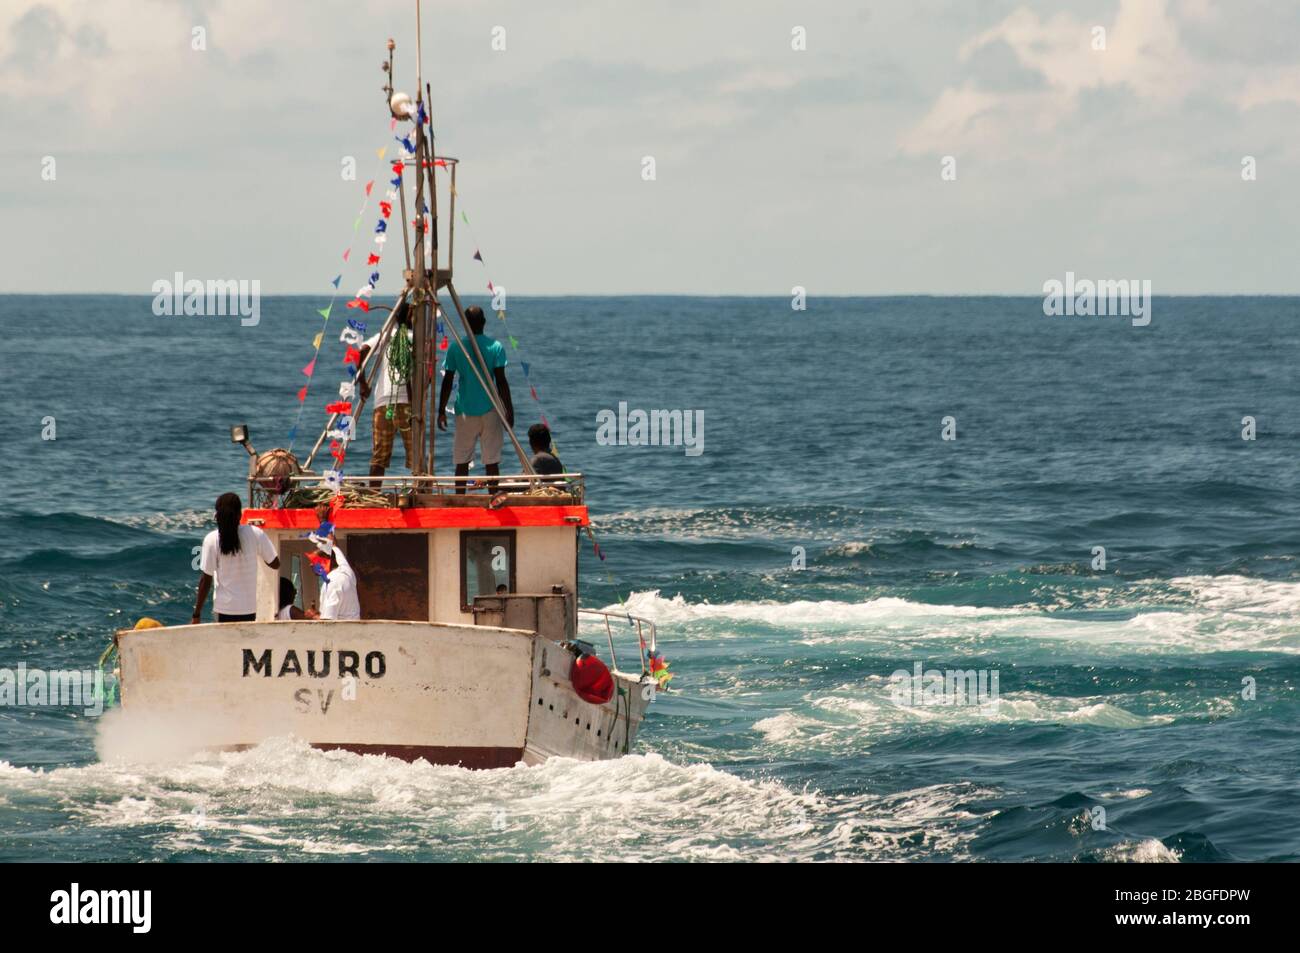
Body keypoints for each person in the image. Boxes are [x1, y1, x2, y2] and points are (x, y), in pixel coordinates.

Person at [437, 305, 512, 493]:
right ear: (484, 323)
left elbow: (447, 380)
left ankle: (460, 501)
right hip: (491, 409)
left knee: (461, 461)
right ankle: (493, 498)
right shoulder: (496, 347)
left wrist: (441, 410)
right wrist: (509, 410)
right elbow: (501, 382)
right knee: (492, 461)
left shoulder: (456, 347)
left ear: (466, 324)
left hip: (465, 411)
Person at [193, 493, 279, 623]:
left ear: (217, 516)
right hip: (249, 609)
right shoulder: (255, 533)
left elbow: (205, 581)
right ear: (240, 515)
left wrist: (196, 614)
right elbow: (275, 564)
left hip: (223, 610)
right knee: (245, 643)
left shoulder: (212, 540)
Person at [358, 300, 415, 486]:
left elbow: (362, 350)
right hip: (408, 403)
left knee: (379, 455)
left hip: (383, 402)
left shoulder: (386, 335)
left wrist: (363, 384)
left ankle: (374, 495)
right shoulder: (415, 337)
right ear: (410, 316)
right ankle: (420, 494)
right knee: (416, 454)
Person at [317, 537, 361, 621]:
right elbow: (335, 548)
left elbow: (327, 622)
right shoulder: (346, 571)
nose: (311, 564)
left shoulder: (332, 582)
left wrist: (313, 616)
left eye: (316, 560)